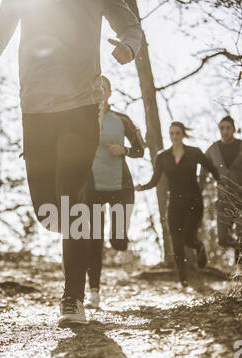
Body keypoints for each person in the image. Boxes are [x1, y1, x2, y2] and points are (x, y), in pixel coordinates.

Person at [0, 0, 142, 327]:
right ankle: (76, 241)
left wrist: (129, 47)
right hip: (36, 108)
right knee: (47, 210)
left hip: (81, 105)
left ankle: (73, 297)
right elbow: (3, 22)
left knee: (72, 198)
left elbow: (130, 25)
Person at [136, 122, 220, 287]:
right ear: (170, 135)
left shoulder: (194, 153)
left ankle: (199, 247)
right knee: (176, 243)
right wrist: (142, 187)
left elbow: (210, 167)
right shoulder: (163, 157)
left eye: (178, 133)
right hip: (174, 203)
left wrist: (219, 181)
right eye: (172, 133)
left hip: (193, 202)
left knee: (188, 237)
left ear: (183, 135)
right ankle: (182, 277)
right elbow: (155, 180)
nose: (175, 136)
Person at [85, 76, 145, 308]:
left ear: (110, 92)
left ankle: (124, 248)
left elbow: (140, 149)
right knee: (93, 240)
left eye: (104, 88)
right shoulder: (83, 119)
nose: (100, 91)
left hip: (121, 187)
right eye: (96, 87)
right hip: (92, 187)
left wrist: (125, 149)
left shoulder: (122, 119)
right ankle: (94, 294)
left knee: (117, 239)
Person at [199, 116, 242, 271]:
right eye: (222, 128)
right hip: (223, 199)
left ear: (233, 129)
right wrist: (199, 191)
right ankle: (238, 249)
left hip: (241, 198)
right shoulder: (213, 149)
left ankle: (239, 264)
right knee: (223, 239)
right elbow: (203, 171)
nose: (224, 131)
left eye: (228, 128)